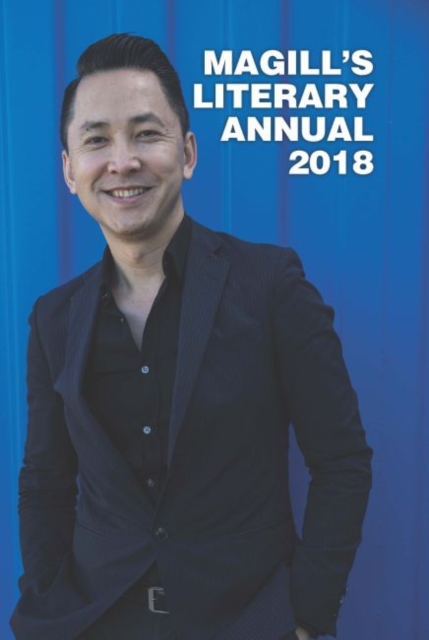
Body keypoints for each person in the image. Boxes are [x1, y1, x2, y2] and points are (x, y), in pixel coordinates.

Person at [11, 33, 372, 640]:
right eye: (96, 140)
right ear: (70, 170)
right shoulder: (53, 318)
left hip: (248, 624)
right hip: (94, 623)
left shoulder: (271, 285)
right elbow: (44, 483)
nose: (122, 161)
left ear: (188, 153)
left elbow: (341, 461)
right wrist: (47, 603)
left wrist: (306, 617)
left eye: (146, 134)